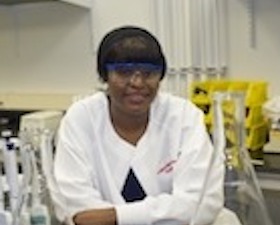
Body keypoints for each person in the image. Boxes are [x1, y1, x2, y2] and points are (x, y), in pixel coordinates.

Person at [51, 26, 225, 225]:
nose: (137, 82)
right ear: (104, 75)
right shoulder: (82, 118)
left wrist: (115, 217)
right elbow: (75, 208)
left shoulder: (184, 117)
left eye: (149, 73)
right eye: (124, 72)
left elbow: (200, 204)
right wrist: (165, 212)